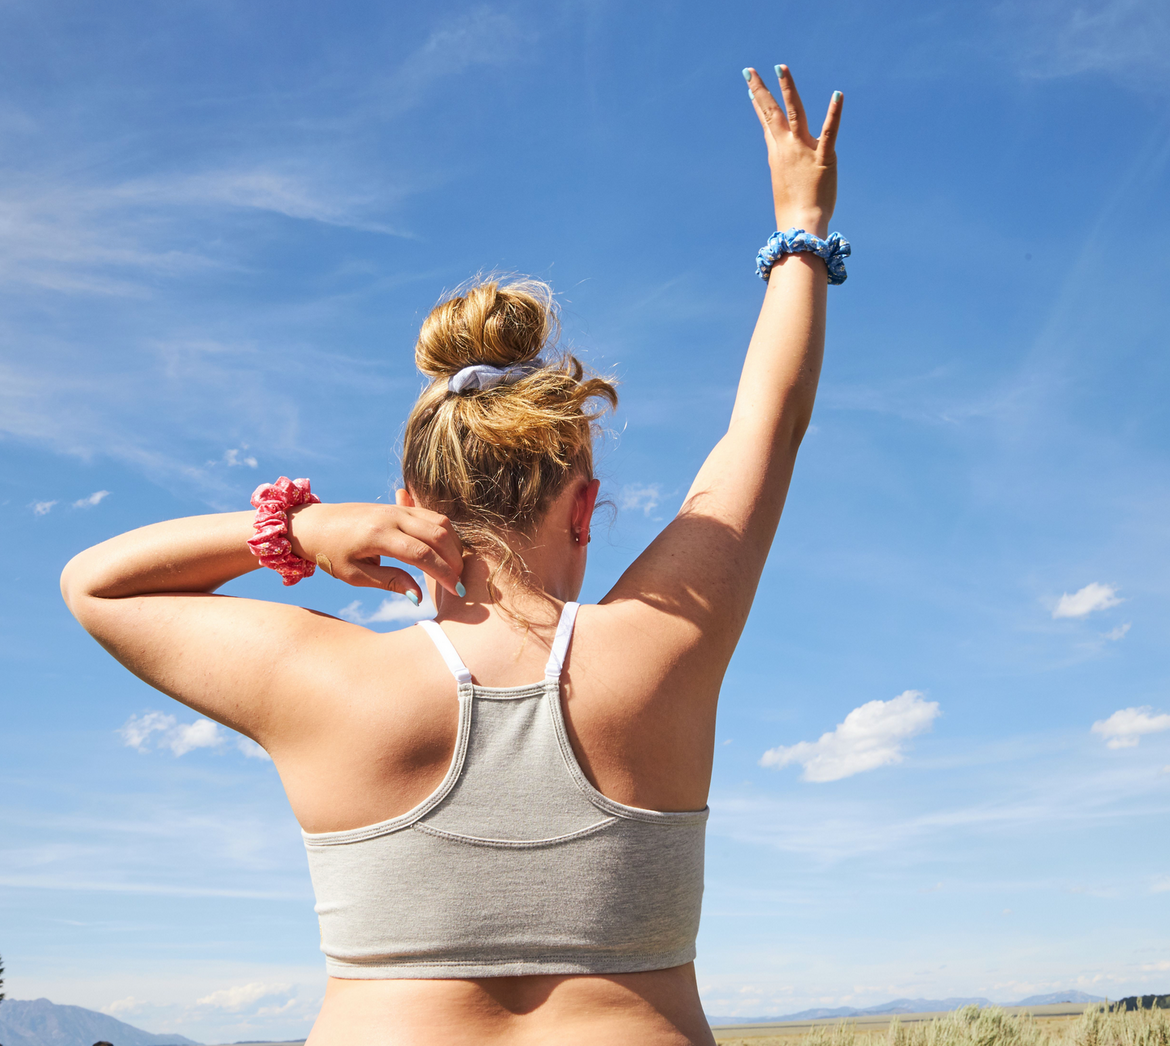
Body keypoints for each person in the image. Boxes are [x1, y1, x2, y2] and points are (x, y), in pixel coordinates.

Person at [61, 64, 845, 1046]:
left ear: (402, 504)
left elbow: (95, 583)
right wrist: (798, 231)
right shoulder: (659, 652)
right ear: (585, 507)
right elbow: (765, 425)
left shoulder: (327, 681)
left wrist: (296, 530)